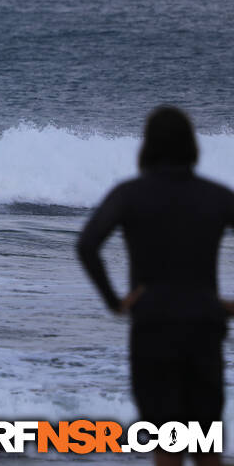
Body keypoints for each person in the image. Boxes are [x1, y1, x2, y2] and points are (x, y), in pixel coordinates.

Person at [77, 106, 234, 466]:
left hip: (153, 325)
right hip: (204, 324)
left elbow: (87, 244)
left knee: (169, 443)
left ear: (147, 146)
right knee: (207, 445)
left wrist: (115, 301)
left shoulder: (130, 194)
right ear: (192, 145)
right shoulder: (216, 196)